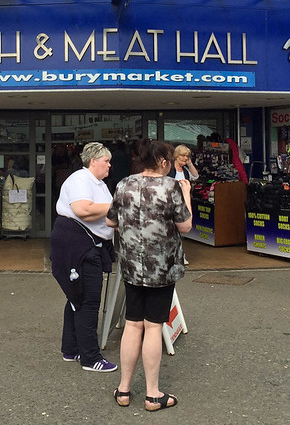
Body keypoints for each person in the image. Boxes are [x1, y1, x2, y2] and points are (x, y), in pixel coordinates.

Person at [106, 139, 192, 411]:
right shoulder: (171, 187)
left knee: (133, 324)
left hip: (132, 264)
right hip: (162, 268)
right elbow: (186, 225)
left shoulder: (123, 184)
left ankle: (123, 389)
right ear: (164, 162)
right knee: (153, 326)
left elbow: (111, 221)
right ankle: (153, 394)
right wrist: (187, 193)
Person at [49, 141, 117, 372]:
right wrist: (117, 205)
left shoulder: (98, 183)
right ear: (93, 161)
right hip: (78, 246)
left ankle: (71, 349)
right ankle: (90, 357)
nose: (109, 165)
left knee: (76, 299)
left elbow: (107, 215)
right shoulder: (80, 179)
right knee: (88, 301)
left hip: (87, 244)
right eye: (106, 161)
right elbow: (83, 210)